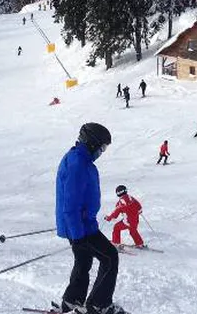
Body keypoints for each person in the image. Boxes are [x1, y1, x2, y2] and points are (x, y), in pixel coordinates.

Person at [56, 122, 127, 314]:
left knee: (84, 260)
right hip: (81, 228)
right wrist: (78, 234)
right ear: (92, 143)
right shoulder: (77, 164)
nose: (102, 152)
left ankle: (72, 300)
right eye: (102, 147)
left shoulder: (80, 159)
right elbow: (70, 204)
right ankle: (98, 305)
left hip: (81, 225)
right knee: (110, 258)